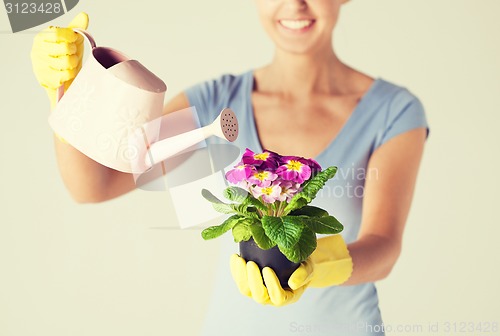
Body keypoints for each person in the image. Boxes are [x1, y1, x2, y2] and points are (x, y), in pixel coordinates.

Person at [31, 0, 428, 334]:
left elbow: (385, 246)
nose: (295, 4)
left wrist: (317, 263)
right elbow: (95, 185)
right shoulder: (213, 103)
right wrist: (65, 95)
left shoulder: (393, 111)